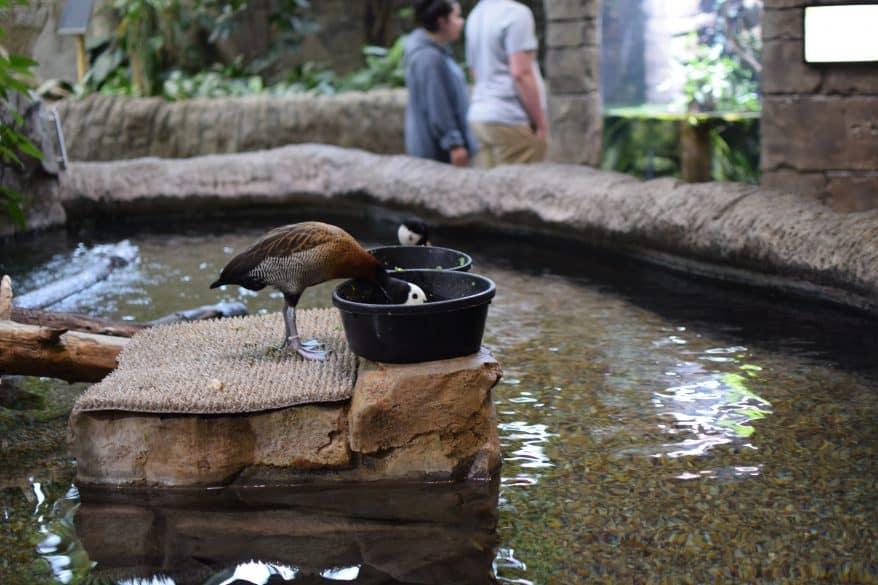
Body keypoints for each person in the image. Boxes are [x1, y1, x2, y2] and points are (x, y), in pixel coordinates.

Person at [465, 0, 548, 167]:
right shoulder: (516, 14)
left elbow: (473, 71)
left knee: (485, 187)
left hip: (480, 116)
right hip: (510, 118)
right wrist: (540, 122)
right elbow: (521, 74)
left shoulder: (475, 15)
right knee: (518, 188)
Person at [404, 0, 477, 166]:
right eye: (456, 17)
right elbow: (437, 103)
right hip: (438, 153)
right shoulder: (428, 58)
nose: (461, 22)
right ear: (442, 22)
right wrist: (454, 144)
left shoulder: (436, 52)